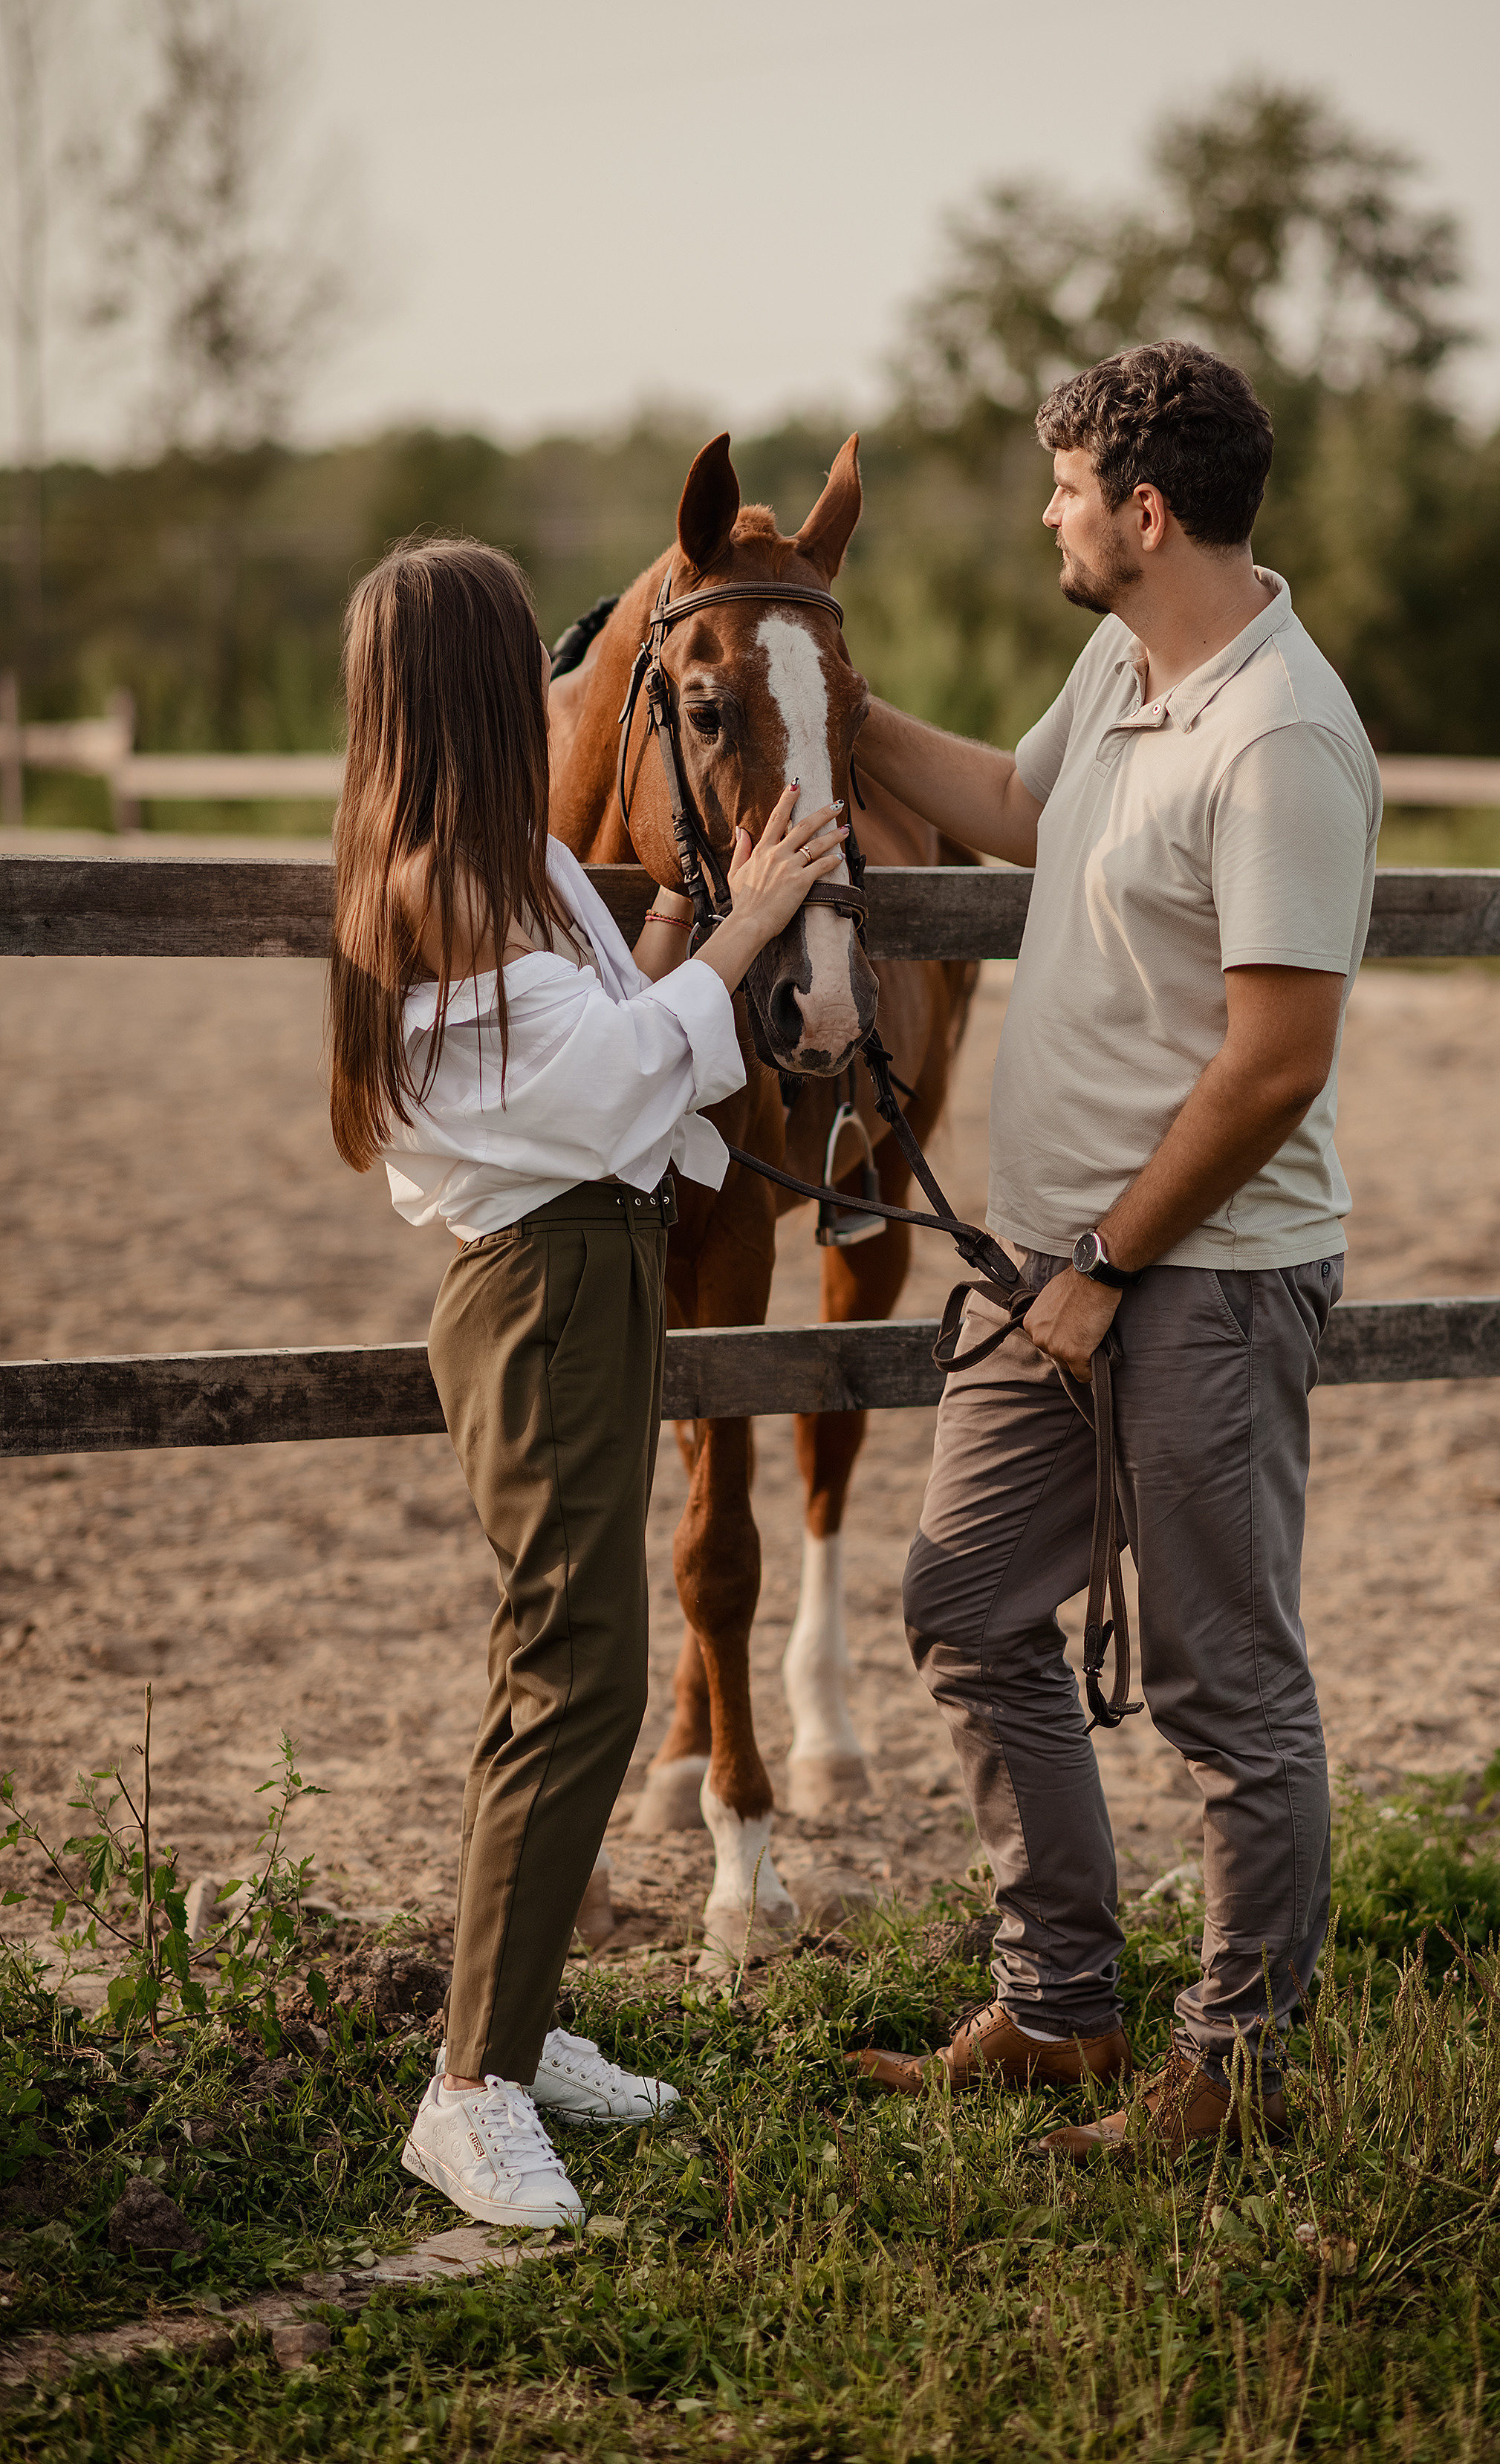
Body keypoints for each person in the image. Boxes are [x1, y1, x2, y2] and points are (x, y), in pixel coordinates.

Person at [850, 342, 1381, 2160]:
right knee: (967, 1605)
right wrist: (824, 704)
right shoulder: (1120, 663)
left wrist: (1106, 1268)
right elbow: (1014, 807)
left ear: (1142, 513)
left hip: (1202, 1280)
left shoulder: (1279, 733)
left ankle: (1234, 2073)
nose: (1046, 514)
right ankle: (1065, 2010)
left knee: (1224, 1683)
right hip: (1041, 1268)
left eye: (1066, 487)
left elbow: (1275, 1059)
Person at [326, 536, 848, 2224]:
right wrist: (748, 930)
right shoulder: (428, 887)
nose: (563, 681)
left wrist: (703, 914)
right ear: (475, 692)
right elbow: (613, 1073)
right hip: (540, 1293)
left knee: (569, 1664)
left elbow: (637, 1021)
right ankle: (467, 2089)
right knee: (579, 1675)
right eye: (525, 663)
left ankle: (519, 2017)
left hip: (598, 1276)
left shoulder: (528, 870)